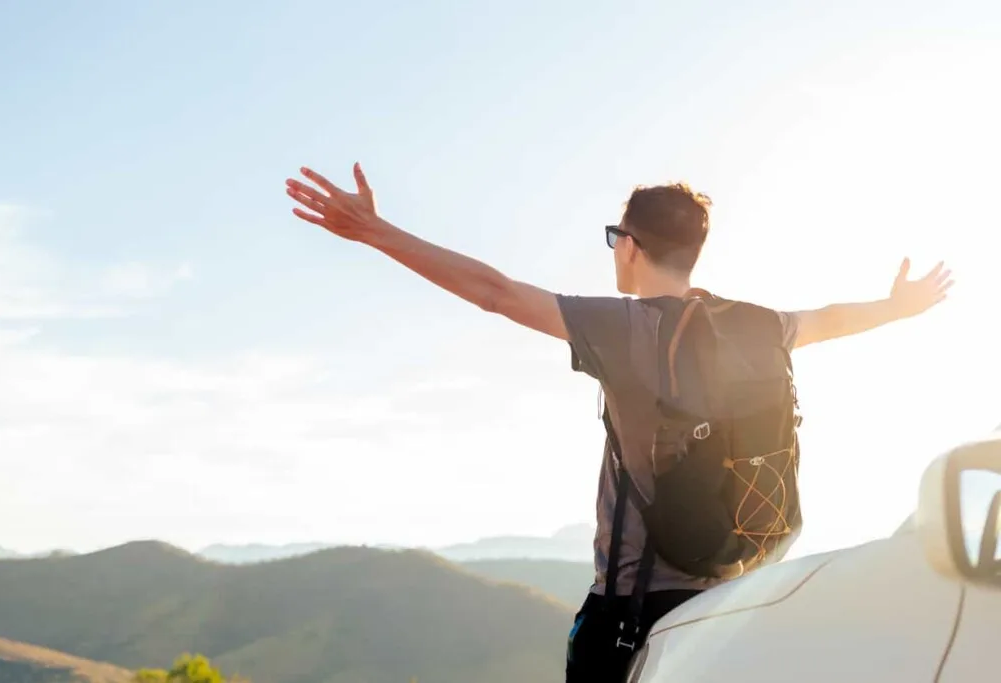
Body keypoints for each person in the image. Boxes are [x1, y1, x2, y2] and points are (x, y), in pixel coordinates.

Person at [284, 163, 954, 682]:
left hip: (632, 617)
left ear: (629, 244)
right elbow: (831, 319)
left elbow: (495, 292)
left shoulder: (622, 325)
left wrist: (375, 232)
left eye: (614, 238)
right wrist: (898, 308)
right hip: (730, 600)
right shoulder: (759, 325)